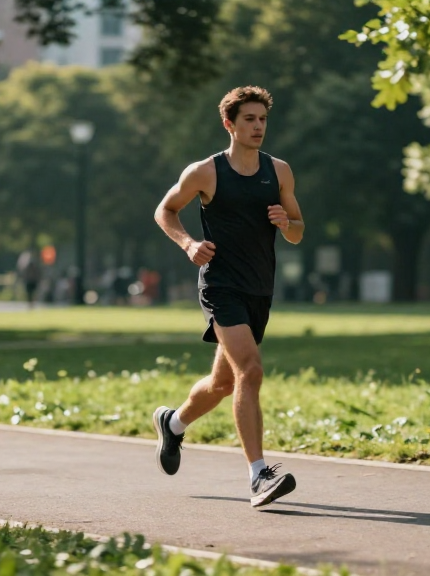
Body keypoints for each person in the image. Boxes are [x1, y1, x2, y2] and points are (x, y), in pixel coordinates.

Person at [152, 86, 305, 508]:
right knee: (251, 371)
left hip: (260, 287)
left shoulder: (279, 172)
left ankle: (174, 423)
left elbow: (297, 230)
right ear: (230, 125)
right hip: (221, 285)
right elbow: (165, 210)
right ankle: (259, 475)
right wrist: (187, 244)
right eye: (249, 120)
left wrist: (284, 221)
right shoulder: (206, 172)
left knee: (223, 383)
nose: (258, 127)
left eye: (262, 119)